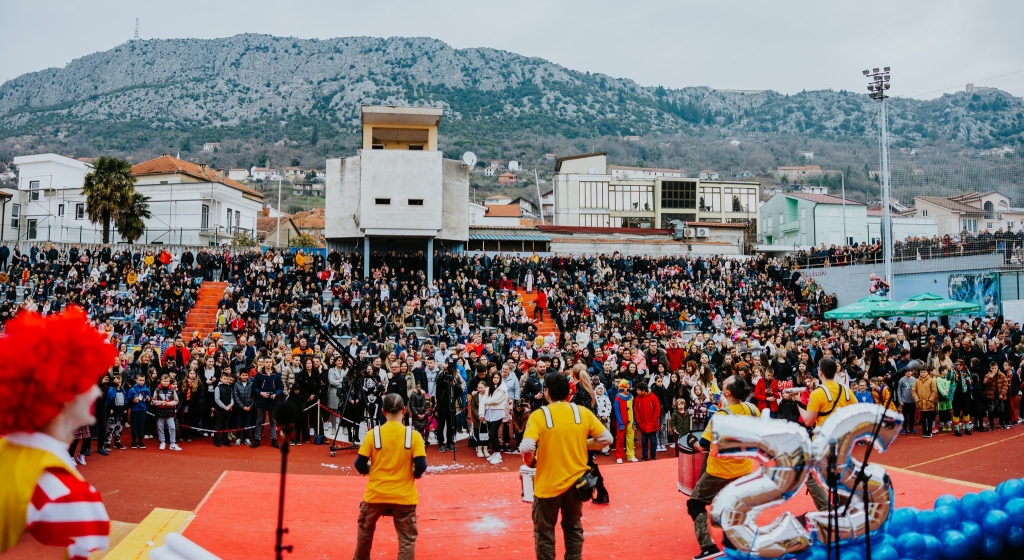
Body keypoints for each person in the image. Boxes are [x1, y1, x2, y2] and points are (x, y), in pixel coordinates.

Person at [0, 308, 118, 559]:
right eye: (87, 383)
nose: (97, 393)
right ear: (63, 394)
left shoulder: (7, 449)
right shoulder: (69, 496)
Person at [520, 373, 612, 560]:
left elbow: (527, 446)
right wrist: (583, 443)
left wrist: (530, 462)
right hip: (576, 484)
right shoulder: (581, 412)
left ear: (547, 392)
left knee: (544, 532)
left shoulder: (540, 415)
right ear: (569, 392)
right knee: (573, 528)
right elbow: (606, 439)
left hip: (548, 486)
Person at [688, 375, 760, 560]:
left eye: (724, 385)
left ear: (727, 393)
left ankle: (708, 546)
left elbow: (702, 445)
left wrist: (691, 440)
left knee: (695, 504)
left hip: (719, 471)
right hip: (744, 468)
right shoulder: (753, 410)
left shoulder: (720, 417)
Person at [353, 394, 427, 560]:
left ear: (383, 412)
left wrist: (373, 470)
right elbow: (421, 466)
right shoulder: (413, 436)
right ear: (404, 410)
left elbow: (359, 465)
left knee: (365, 531)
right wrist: (411, 474)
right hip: (404, 495)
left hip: (376, 493)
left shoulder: (373, 434)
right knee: (407, 539)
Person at [798, 357, 855, 512]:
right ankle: (844, 509)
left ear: (820, 373)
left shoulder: (818, 393)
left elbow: (808, 421)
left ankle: (826, 510)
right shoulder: (845, 390)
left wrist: (798, 403)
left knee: (807, 474)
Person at [633, 381, 661, 461]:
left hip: (652, 424)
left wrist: (654, 420)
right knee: (644, 441)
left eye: (638, 390)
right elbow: (636, 411)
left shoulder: (653, 397)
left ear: (643, 391)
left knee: (653, 440)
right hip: (643, 424)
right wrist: (639, 421)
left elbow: (657, 409)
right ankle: (644, 455)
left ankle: (653, 455)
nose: (637, 392)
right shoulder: (637, 399)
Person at [612, 379, 637, 464]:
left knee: (630, 439)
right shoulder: (618, 397)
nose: (628, 389)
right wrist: (620, 422)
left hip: (631, 420)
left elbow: (633, 409)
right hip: (622, 421)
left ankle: (631, 455)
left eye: (628, 387)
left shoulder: (631, 396)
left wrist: (634, 421)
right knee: (620, 439)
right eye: (626, 387)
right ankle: (619, 456)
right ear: (622, 387)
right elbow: (617, 411)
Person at [913, 367, 938, 438]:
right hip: (920, 403)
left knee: (929, 418)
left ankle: (929, 431)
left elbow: (934, 391)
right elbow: (913, 391)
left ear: (927, 372)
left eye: (924, 372)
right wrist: (917, 399)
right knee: (923, 419)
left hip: (929, 402)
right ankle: (924, 431)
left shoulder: (931, 381)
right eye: (921, 372)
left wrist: (930, 399)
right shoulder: (917, 381)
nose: (923, 373)